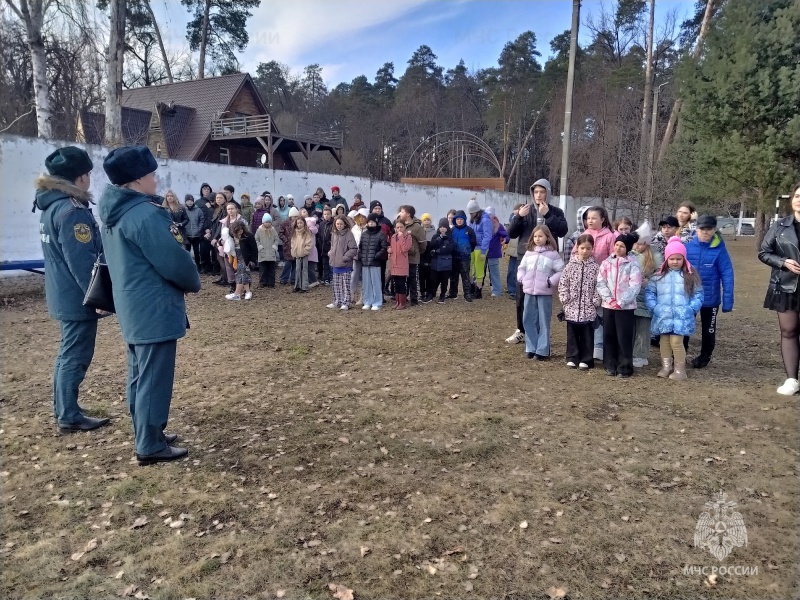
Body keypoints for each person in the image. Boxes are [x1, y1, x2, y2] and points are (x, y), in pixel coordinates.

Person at [99, 145, 201, 465]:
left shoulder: (115, 214)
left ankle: (147, 430)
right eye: (152, 175)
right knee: (155, 376)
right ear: (138, 179)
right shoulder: (145, 214)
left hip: (132, 306)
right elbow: (174, 261)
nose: (156, 180)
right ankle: (149, 443)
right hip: (154, 306)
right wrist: (193, 280)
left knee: (139, 373)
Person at [34, 145, 110, 434]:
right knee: (75, 355)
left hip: (63, 292)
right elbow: (82, 262)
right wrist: (98, 297)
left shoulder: (50, 205)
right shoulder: (71, 210)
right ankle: (68, 415)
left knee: (69, 353)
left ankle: (66, 408)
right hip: (77, 297)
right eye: (88, 173)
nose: (90, 178)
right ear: (79, 178)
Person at [506, 179, 568, 343]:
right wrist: (518, 217)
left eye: (542, 192)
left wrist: (548, 214)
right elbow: (511, 233)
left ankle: (540, 333)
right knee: (521, 297)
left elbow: (562, 231)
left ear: (547, 193)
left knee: (541, 299)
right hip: (525, 259)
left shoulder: (556, 211)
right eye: (536, 192)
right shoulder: (525, 211)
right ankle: (521, 330)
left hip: (546, 261)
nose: (538, 195)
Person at [758, 182, 800, 395]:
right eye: (797, 196)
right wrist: (783, 262)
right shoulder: (780, 226)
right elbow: (764, 252)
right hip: (785, 285)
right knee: (789, 331)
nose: (799, 200)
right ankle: (792, 379)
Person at [646, 236, 703, 380]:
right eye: (672, 259)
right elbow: (650, 292)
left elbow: (698, 294)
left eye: (678, 258)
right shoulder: (659, 276)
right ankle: (666, 367)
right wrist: (654, 307)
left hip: (681, 316)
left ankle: (680, 370)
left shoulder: (690, 275)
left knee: (677, 342)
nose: (675, 262)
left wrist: (691, 309)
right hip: (663, 315)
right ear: (666, 259)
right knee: (664, 341)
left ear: (684, 258)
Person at [684, 215, 735, 368]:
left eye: (709, 229)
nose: (705, 232)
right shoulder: (687, 246)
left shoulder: (720, 249)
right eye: (702, 229)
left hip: (710, 298)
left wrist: (727, 301)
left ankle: (705, 356)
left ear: (714, 230)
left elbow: (727, 274)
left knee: (709, 329)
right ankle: (680, 354)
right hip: (689, 296)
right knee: (685, 325)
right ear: (697, 229)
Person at [573, 206, 617, 361]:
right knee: (586, 312)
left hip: (602, 281)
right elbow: (574, 254)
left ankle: (598, 345)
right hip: (584, 280)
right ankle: (585, 344)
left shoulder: (610, 236)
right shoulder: (584, 234)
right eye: (588, 218)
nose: (590, 221)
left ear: (603, 219)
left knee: (599, 313)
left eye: (594, 218)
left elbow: (614, 257)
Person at [596, 233, 642, 378]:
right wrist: (609, 299)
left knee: (624, 336)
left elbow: (635, 285)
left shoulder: (633, 264)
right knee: (609, 335)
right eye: (616, 245)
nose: (618, 248)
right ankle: (610, 364)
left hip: (625, 307)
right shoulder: (606, 262)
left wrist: (621, 301)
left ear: (627, 248)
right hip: (609, 305)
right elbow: (600, 282)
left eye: (622, 246)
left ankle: (624, 367)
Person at [517, 225, 564, 360]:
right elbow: (522, 268)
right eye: (535, 236)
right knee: (527, 318)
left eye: (540, 236)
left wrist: (550, 281)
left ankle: (543, 350)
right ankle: (531, 347)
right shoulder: (529, 252)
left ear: (547, 237)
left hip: (544, 292)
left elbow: (561, 270)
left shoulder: (553, 254)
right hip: (529, 291)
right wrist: (522, 278)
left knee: (543, 320)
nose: (537, 239)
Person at [558, 234, 601, 370]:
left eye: (588, 248)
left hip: (588, 307)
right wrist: (565, 297)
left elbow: (599, 285)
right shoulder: (570, 266)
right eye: (582, 248)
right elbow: (563, 283)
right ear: (577, 247)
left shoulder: (595, 267)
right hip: (572, 306)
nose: (585, 251)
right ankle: (572, 357)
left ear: (592, 249)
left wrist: (596, 299)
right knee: (572, 333)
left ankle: (586, 358)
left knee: (587, 334)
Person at [631, 223, 660, 368]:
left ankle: (641, 354)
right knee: (631, 328)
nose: (637, 246)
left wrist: (649, 281)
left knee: (643, 330)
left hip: (646, 299)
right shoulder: (629, 255)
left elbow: (660, 275)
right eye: (635, 243)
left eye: (641, 244)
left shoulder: (655, 257)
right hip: (632, 299)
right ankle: (630, 352)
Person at [359, 213, 389, 311]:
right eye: (369, 222)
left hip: (375, 262)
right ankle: (367, 301)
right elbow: (360, 247)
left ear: (376, 223)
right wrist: (361, 256)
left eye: (373, 222)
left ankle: (377, 302)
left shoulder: (380, 234)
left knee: (376, 283)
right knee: (366, 283)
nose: (371, 224)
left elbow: (383, 247)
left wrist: (376, 256)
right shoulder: (364, 234)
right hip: (365, 262)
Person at [327, 215, 358, 310]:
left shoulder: (349, 234)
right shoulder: (334, 234)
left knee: (345, 285)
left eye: (341, 224)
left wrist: (345, 257)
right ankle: (337, 301)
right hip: (335, 263)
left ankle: (346, 302)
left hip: (345, 264)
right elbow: (332, 246)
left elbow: (353, 248)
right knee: (336, 284)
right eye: (337, 224)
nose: (339, 225)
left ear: (345, 224)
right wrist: (330, 253)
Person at [399, 205, 427, 305]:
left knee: (413, 278)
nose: (400, 214)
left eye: (402, 212)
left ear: (408, 214)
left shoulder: (417, 227)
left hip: (413, 258)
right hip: (402, 258)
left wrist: (416, 252)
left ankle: (414, 299)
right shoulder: (400, 225)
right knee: (403, 279)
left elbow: (423, 244)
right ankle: (403, 297)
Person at [466, 197, 494, 296]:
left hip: (481, 247)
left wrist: (483, 251)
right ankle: (472, 286)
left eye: (472, 213)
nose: (471, 215)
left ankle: (478, 289)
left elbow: (487, 236)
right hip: (473, 247)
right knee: (469, 267)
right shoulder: (473, 220)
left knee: (479, 268)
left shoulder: (485, 220)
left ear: (477, 212)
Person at [448, 210, 477, 302]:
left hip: (464, 257)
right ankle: (453, 293)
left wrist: (467, 250)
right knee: (453, 276)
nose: (459, 221)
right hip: (453, 257)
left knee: (465, 276)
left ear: (464, 220)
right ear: (455, 220)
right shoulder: (452, 230)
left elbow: (473, 242)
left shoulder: (469, 230)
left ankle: (467, 294)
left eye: (461, 219)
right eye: (457, 219)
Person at [225, 220, 257, 301]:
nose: (240, 232)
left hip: (245, 257)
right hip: (237, 256)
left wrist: (253, 260)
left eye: (241, 230)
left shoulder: (248, 236)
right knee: (243, 273)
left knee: (241, 274)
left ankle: (237, 294)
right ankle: (248, 292)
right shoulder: (231, 236)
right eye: (238, 231)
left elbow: (254, 249)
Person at [428, 218, 454, 303]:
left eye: (444, 226)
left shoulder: (450, 238)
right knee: (433, 279)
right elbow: (431, 245)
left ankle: (442, 295)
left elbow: (449, 249)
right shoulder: (436, 236)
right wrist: (439, 238)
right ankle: (431, 294)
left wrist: (437, 251)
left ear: (447, 227)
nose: (442, 228)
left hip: (446, 263)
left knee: (444, 280)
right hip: (435, 263)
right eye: (440, 227)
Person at [484, 206, 509, 297]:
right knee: (479, 272)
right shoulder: (481, 224)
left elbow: (506, 235)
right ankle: (477, 289)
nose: (489, 216)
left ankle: (496, 290)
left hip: (493, 252)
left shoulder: (498, 226)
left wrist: (505, 240)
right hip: (482, 251)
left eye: (491, 214)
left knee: (494, 272)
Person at [388, 219, 413, 310]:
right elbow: (392, 247)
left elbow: (405, 248)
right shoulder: (393, 237)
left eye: (401, 227)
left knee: (402, 284)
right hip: (394, 263)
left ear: (404, 227)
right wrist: (390, 250)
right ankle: (397, 302)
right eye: (397, 227)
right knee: (396, 284)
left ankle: (402, 303)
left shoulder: (408, 237)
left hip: (402, 264)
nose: (399, 229)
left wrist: (402, 237)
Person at [350, 208, 369, 305]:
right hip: (356, 255)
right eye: (360, 217)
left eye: (363, 217)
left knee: (364, 277)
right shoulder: (354, 229)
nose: (361, 219)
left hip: (366, 256)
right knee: (354, 275)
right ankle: (352, 294)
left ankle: (363, 296)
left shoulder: (369, 228)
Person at [208, 192, 228, 283]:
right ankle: (222, 276)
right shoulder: (217, 209)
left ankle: (226, 278)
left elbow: (221, 225)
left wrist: (215, 237)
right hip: (216, 235)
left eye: (220, 198)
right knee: (219, 257)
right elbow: (214, 224)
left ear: (224, 199)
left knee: (222, 258)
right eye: (217, 198)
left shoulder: (225, 209)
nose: (218, 199)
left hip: (222, 237)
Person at [255, 213, 279, 288]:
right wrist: (259, 246)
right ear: (263, 222)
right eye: (266, 222)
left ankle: (271, 283)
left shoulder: (273, 230)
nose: (268, 223)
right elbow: (256, 239)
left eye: (269, 222)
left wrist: (274, 246)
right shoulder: (259, 230)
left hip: (271, 252)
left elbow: (276, 239)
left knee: (271, 269)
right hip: (263, 252)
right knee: (262, 269)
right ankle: (263, 282)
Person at [183, 194, 206, 272]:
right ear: (185, 202)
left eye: (191, 201)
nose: (189, 202)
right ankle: (188, 268)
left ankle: (198, 267)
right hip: (187, 235)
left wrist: (198, 229)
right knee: (187, 252)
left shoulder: (198, 210)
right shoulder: (183, 210)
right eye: (188, 201)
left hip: (196, 235)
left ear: (193, 201)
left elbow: (202, 219)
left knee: (196, 252)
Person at [292, 216, 313, 292]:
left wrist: (304, 251)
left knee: (304, 269)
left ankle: (304, 286)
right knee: (297, 269)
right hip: (297, 254)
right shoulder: (295, 233)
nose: (299, 224)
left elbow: (309, 244)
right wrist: (294, 251)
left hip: (304, 254)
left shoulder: (307, 233)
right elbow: (293, 243)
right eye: (298, 223)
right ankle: (297, 285)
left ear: (304, 223)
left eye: (301, 223)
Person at [506, 204, 523, 299]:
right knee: (511, 271)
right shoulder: (514, 218)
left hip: (521, 249)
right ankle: (511, 290)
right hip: (513, 249)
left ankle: (518, 290)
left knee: (519, 272)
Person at [279, 207, 300, 285]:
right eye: (294, 216)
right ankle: (284, 278)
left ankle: (293, 279)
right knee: (288, 263)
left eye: (296, 216)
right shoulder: (284, 223)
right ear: (290, 216)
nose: (295, 218)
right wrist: (286, 240)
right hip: (288, 246)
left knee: (295, 263)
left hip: (296, 245)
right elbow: (280, 233)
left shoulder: (299, 223)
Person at [419, 213, 436, 301]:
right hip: (421, 255)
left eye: (428, 220)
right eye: (425, 220)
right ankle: (422, 292)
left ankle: (430, 292)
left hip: (430, 255)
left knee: (430, 276)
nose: (426, 222)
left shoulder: (434, 232)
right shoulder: (420, 230)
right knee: (421, 276)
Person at [317, 206, 334, 284]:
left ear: (331, 214)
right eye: (325, 214)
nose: (326, 215)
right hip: (323, 248)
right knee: (325, 264)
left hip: (330, 248)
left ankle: (332, 278)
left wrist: (330, 243)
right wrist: (320, 244)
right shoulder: (321, 224)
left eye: (328, 214)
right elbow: (319, 235)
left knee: (331, 264)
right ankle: (326, 278)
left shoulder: (333, 224)